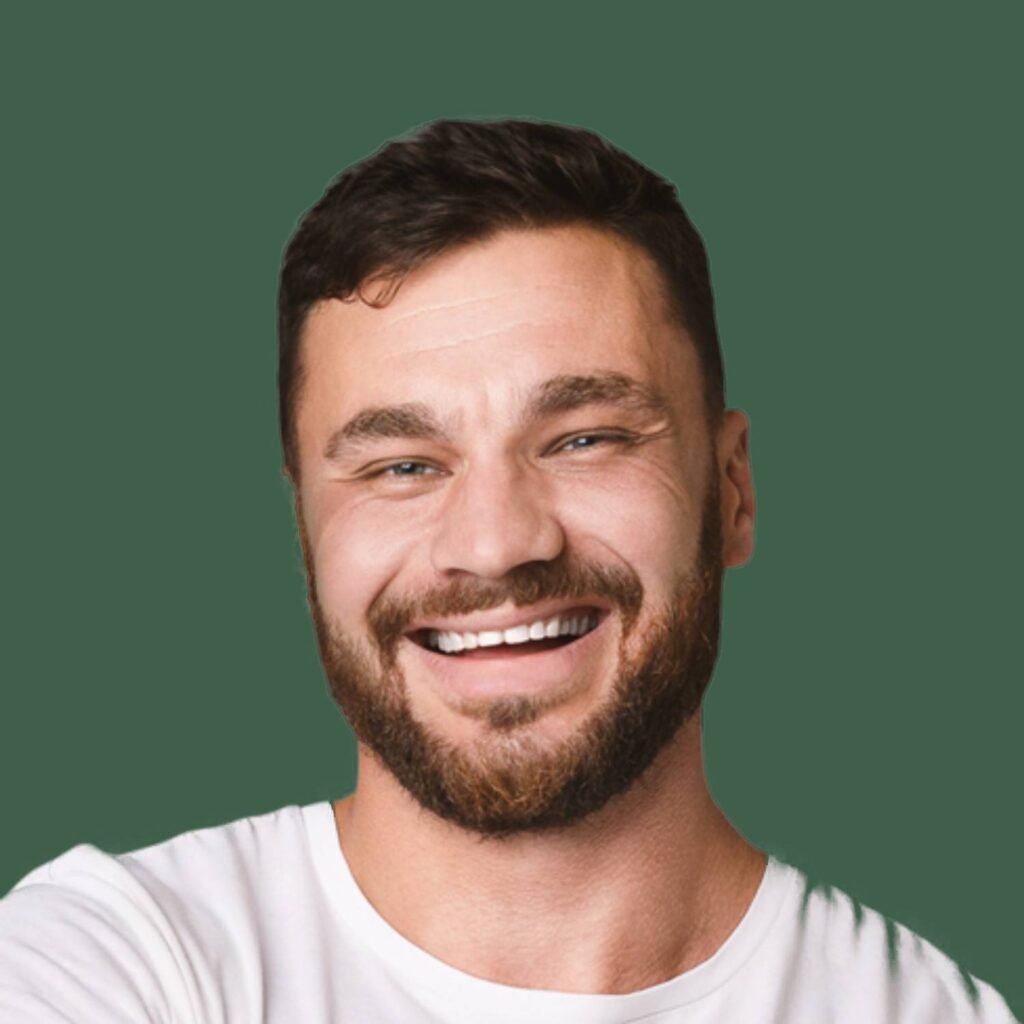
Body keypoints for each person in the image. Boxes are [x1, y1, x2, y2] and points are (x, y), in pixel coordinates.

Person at [0, 119, 1016, 1023]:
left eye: (585, 439)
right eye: (403, 465)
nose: (494, 545)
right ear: (306, 530)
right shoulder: (120, 963)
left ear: (732, 491)